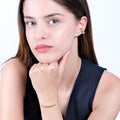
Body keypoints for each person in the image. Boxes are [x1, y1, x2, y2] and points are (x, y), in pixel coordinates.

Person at [0, 0, 120, 120]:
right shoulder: (15, 72)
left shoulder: (109, 87)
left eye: (53, 21)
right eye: (31, 23)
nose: (39, 35)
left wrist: (47, 97)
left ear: (80, 25)